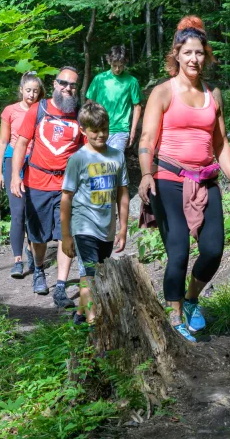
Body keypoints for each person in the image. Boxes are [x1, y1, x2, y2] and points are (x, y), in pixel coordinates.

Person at [137, 16, 230, 343]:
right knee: (179, 252)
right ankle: (175, 316)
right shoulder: (163, 92)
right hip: (167, 178)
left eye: (199, 53)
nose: (194, 59)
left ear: (205, 55)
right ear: (177, 55)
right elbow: (147, 137)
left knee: (212, 250)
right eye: (188, 53)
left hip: (206, 180)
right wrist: (144, 174)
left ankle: (193, 298)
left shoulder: (214, 94)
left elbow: (220, 142)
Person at [10, 67, 82, 308]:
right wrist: (15, 176)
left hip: (67, 186)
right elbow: (21, 143)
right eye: (63, 83)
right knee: (38, 237)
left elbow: (87, 149)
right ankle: (39, 268)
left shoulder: (79, 114)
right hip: (37, 183)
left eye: (72, 85)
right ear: (54, 84)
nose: (68, 88)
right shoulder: (38, 109)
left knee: (66, 236)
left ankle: (60, 286)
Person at [60, 101, 130, 325]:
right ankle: (94, 326)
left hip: (107, 228)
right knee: (88, 276)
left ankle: (79, 316)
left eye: (105, 130)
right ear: (83, 131)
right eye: (95, 131)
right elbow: (66, 198)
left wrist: (123, 228)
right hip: (84, 226)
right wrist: (66, 236)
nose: (101, 135)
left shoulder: (117, 156)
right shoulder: (78, 159)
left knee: (97, 274)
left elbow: (122, 193)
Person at [0, 71, 44, 278]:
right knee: (17, 212)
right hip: (12, 161)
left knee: (34, 211)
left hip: (36, 163)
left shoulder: (43, 110)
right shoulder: (10, 111)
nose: (31, 94)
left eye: (35, 91)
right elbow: (3, 141)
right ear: (21, 90)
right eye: (28, 90)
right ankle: (17, 260)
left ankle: (33, 253)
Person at [85, 46, 142, 151]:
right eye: (114, 65)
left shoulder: (131, 81)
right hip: (98, 128)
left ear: (125, 62)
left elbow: (137, 106)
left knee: (114, 163)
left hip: (120, 130)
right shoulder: (99, 79)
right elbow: (89, 103)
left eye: (121, 66)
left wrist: (133, 130)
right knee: (99, 163)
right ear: (108, 61)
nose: (117, 69)